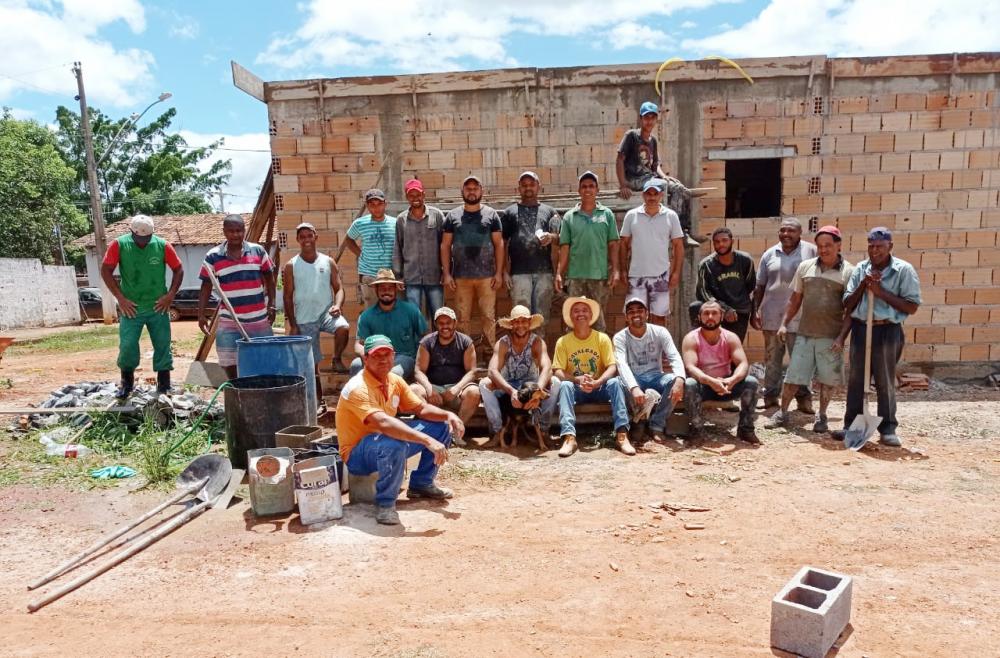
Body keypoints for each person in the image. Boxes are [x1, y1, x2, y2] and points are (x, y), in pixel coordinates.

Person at [336, 335, 464, 525]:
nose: (382, 360)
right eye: (376, 355)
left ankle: (422, 484)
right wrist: (426, 440)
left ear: (393, 356)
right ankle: (385, 505)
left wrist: (448, 416)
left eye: (386, 354)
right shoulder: (357, 387)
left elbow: (420, 408)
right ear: (365, 359)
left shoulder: (394, 380)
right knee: (395, 444)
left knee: (440, 428)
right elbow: (384, 423)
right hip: (357, 453)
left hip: (383, 439)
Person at [834, 227, 921, 447]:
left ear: (890, 246)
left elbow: (911, 306)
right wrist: (864, 285)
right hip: (862, 328)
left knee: (884, 380)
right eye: (871, 246)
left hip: (888, 330)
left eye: (880, 246)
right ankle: (851, 425)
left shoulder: (903, 270)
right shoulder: (861, 269)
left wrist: (881, 292)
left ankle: (888, 428)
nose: (875, 251)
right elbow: (847, 304)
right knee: (856, 380)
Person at [765, 226, 854, 433]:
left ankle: (821, 416)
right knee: (793, 377)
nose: (823, 250)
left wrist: (842, 337)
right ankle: (783, 413)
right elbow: (795, 299)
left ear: (839, 245)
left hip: (831, 337)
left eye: (828, 246)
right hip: (805, 333)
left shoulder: (849, 272)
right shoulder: (806, 267)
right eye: (820, 246)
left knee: (827, 380)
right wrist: (784, 324)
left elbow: (851, 310)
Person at [100, 214, 183, 396]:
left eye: (146, 238)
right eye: (139, 238)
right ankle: (126, 383)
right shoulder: (120, 245)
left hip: (157, 306)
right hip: (132, 307)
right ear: (131, 232)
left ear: (152, 234)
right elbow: (105, 270)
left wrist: (170, 295)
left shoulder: (162, 245)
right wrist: (120, 299)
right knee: (128, 345)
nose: (143, 242)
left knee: (162, 344)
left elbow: (178, 269)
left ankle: (164, 384)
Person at [198, 214, 276, 379]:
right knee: (228, 362)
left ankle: (260, 392)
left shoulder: (258, 251)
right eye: (231, 231)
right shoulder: (213, 256)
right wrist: (201, 315)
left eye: (239, 230)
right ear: (224, 232)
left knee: (266, 359)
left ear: (244, 230)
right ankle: (237, 391)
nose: (236, 234)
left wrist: (272, 305)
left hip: (258, 319)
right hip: (229, 321)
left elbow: (270, 277)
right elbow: (206, 286)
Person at [552, 296, 630, 457]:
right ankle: (569, 437)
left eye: (585, 310)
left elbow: (612, 366)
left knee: (615, 382)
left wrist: (598, 382)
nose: (581, 314)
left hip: (599, 387)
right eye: (576, 311)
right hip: (577, 389)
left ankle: (622, 435)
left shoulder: (602, 338)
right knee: (565, 385)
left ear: (591, 315)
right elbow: (557, 371)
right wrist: (576, 379)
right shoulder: (563, 341)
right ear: (571, 316)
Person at [752, 217, 817, 411]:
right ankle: (771, 397)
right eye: (782, 231)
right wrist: (755, 310)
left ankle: (804, 399)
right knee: (772, 360)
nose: (786, 234)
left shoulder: (811, 251)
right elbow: (760, 285)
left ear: (800, 233)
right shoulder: (769, 254)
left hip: (801, 316)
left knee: (801, 360)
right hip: (772, 315)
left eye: (791, 231)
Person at [615, 101, 700, 242]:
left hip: (649, 178)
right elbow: (619, 160)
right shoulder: (632, 136)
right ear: (641, 119)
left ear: (656, 119)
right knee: (676, 189)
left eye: (652, 118)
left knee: (682, 189)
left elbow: (655, 165)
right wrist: (623, 184)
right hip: (635, 179)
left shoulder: (652, 140)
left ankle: (685, 230)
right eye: (646, 117)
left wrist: (665, 177)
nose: (649, 121)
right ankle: (680, 233)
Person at [480, 305, 560, 448]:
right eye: (516, 321)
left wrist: (538, 391)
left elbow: (547, 367)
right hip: (508, 383)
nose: (520, 325)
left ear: (529, 323)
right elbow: (492, 370)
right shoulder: (503, 343)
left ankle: (543, 430)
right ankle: (498, 432)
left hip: (531, 385)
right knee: (484, 384)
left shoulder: (537, 342)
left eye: (524, 321)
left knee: (555, 382)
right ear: (511, 325)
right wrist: (511, 391)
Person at [681, 301, 760, 443]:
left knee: (751, 382)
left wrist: (732, 380)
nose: (710, 316)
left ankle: (746, 429)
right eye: (706, 313)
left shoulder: (730, 337)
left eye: (714, 313)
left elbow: (743, 363)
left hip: (726, 385)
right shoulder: (691, 338)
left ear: (721, 316)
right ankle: (697, 430)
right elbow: (690, 368)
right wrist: (711, 381)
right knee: (690, 383)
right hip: (703, 386)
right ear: (699, 317)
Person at [283, 222, 350, 386]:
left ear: (316, 237)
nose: (306, 239)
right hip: (304, 318)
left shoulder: (328, 262)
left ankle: (336, 359)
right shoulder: (291, 265)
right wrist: (293, 325)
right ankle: (318, 399)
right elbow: (287, 297)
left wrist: (338, 305)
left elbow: (339, 288)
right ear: (298, 240)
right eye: (302, 237)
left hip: (326, 313)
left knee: (343, 327)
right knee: (311, 363)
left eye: (309, 235)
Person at [441, 175, 504, 348]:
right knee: (462, 318)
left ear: (481, 191)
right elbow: (445, 245)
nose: (471, 192)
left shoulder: (491, 215)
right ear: (462, 191)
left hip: (487, 277)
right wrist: (446, 274)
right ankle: (466, 356)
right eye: (468, 189)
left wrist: (498, 273)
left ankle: (491, 353)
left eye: (475, 188)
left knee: (489, 317)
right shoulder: (452, 216)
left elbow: (499, 244)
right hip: (461, 277)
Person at [554, 171, 621, 331]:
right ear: (579, 190)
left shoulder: (606, 215)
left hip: (599, 277)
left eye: (591, 186)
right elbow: (564, 247)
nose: (587, 189)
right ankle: (575, 355)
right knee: (574, 321)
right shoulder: (570, 217)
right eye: (584, 186)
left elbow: (613, 244)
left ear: (597, 190)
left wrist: (616, 270)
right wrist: (559, 273)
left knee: (598, 320)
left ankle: (597, 355)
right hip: (576, 277)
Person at [613, 297, 686, 443]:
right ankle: (637, 422)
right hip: (635, 378)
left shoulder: (660, 332)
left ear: (647, 314)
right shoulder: (620, 337)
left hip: (655, 376)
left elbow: (674, 356)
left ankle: (656, 425)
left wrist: (680, 379)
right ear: (626, 317)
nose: (636, 314)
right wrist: (634, 387)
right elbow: (622, 364)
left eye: (640, 310)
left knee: (673, 380)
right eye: (631, 312)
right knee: (618, 382)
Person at [619, 177, 684, 325]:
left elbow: (678, 245)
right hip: (636, 276)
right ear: (643, 195)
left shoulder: (671, 216)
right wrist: (623, 270)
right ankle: (636, 347)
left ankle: (657, 348)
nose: (652, 197)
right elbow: (623, 244)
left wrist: (675, 273)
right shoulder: (632, 215)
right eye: (649, 194)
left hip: (661, 275)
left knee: (659, 317)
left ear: (661, 195)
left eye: (656, 194)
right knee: (634, 316)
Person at [500, 171, 561, 327]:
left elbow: (561, 239)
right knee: (520, 319)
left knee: (542, 317)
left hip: (544, 273)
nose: (528, 188)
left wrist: (552, 237)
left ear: (538, 187)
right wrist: (504, 272)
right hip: (518, 274)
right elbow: (502, 244)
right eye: (524, 185)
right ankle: (523, 351)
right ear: (519, 189)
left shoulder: (550, 212)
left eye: (532, 185)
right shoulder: (509, 212)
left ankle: (539, 351)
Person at [411, 307, 480, 442]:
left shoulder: (465, 341)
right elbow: (418, 371)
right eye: (441, 323)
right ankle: (430, 431)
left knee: (474, 392)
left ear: (455, 323)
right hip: (433, 388)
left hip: (456, 389)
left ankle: (456, 432)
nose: (445, 326)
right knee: (414, 390)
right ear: (436, 325)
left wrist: (456, 388)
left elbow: (472, 371)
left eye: (448, 322)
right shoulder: (427, 342)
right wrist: (430, 389)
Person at [349, 269, 426, 382]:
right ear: (376, 290)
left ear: (395, 289)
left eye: (390, 288)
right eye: (382, 288)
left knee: (394, 373)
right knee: (356, 365)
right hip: (375, 356)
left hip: (403, 356)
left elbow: (425, 338)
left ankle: (387, 399)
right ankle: (361, 398)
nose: (386, 291)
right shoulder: (366, 316)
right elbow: (358, 345)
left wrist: (420, 363)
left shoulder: (411, 310)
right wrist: (368, 358)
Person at [392, 178, 445, 321]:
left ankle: (438, 343)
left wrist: (446, 272)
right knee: (413, 317)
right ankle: (416, 344)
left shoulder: (437, 215)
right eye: (411, 195)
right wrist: (398, 276)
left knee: (439, 315)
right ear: (407, 197)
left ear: (424, 195)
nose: (415, 198)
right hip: (411, 278)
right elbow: (398, 247)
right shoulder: (401, 219)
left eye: (418, 194)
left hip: (435, 277)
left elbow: (445, 245)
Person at [691, 227, 756, 342]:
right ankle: (699, 344)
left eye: (724, 240)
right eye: (717, 242)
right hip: (715, 308)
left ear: (732, 241)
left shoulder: (745, 260)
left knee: (732, 348)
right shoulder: (706, 265)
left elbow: (750, 286)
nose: (721, 244)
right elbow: (702, 292)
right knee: (695, 306)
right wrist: (723, 309)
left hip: (739, 311)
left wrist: (751, 311)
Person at [345, 188, 397, 308]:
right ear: (367, 206)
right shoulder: (360, 223)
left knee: (391, 309)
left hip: (391, 275)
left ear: (385, 204)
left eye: (379, 204)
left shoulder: (395, 223)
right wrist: (360, 253)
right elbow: (348, 239)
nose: (376, 207)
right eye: (372, 204)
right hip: (369, 274)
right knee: (373, 309)